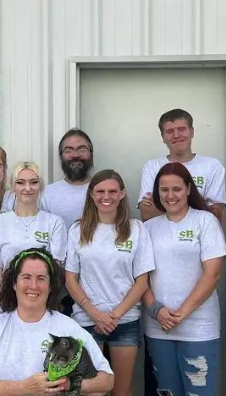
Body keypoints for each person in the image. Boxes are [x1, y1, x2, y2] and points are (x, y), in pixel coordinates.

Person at [0, 248, 114, 396]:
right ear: (14, 283)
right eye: (26, 277)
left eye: (41, 278)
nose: (33, 286)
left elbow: (106, 380)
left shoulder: (69, 327)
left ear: (50, 285)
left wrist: (69, 384)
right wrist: (24, 388)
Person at [65, 170, 155, 396]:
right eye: (101, 191)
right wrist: (96, 314)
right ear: (92, 195)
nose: (107, 196)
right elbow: (70, 279)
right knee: (89, 391)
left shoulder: (136, 229)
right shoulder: (78, 230)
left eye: (113, 191)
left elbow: (142, 281)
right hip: (86, 320)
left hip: (124, 321)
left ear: (122, 194)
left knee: (121, 390)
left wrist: (114, 315)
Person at [141, 163, 226, 396]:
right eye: (164, 189)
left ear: (189, 189)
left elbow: (213, 274)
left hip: (199, 326)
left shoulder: (205, 221)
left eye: (177, 189)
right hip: (159, 327)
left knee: (199, 391)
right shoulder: (147, 228)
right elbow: (140, 279)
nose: (170, 195)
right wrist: (156, 310)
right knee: (167, 391)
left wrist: (182, 313)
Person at [0, 162, 67, 315]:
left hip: (42, 309)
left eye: (33, 182)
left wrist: (35, 306)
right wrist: (10, 305)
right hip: (5, 309)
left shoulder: (54, 223)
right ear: (13, 187)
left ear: (40, 186)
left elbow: (54, 272)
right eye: (20, 183)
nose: (27, 188)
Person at [137, 109, 226, 223]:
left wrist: (165, 204)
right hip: (160, 237)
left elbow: (216, 215)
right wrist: (200, 203)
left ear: (192, 132)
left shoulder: (212, 166)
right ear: (163, 136)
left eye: (182, 129)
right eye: (169, 131)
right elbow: (147, 214)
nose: (176, 135)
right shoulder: (152, 167)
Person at [40, 129, 95, 230]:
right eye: (68, 150)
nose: (75, 155)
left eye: (82, 149)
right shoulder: (46, 194)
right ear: (61, 156)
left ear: (91, 153)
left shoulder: (105, 193)